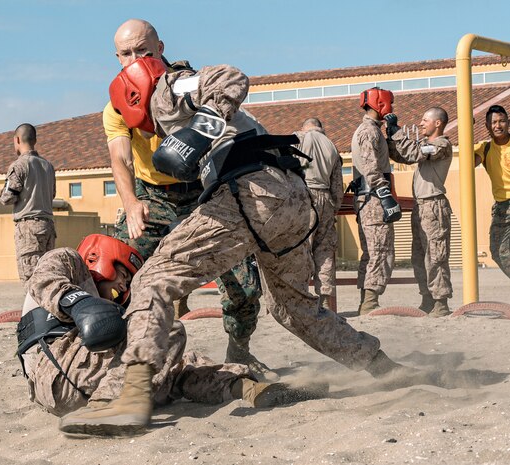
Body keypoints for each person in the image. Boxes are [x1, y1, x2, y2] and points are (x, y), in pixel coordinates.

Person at [58, 58, 429, 436]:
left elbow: (230, 76)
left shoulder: (168, 88)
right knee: (293, 309)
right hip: (291, 196)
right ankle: (382, 366)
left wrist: (200, 129)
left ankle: (131, 397)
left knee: (151, 280)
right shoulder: (180, 97)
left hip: (250, 190)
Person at [104, 19, 266, 372]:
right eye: (127, 53)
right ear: (117, 57)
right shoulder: (117, 106)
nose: (136, 59)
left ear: (160, 49)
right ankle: (117, 358)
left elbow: (230, 87)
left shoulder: (185, 85)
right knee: (109, 269)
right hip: (154, 198)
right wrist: (131, 204)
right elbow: (119, 157)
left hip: (206, 194)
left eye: (144, 50)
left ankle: (239, 349)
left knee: (246, 288)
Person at [16, 234, 323, 418]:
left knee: (174, 366)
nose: (123, 284)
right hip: (56, 369)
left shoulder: (108, 305)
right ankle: (107, 406)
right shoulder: (69, 262)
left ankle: (246, 387)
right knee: (166, 330)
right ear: (100, 257)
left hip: (82, 380)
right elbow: (44, 281)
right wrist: (82, 305)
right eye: (122, 274)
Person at [385, 107, 454, 316]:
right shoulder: (425, 145)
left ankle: (440, 303)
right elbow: (403, 156)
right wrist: (390, 139)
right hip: (420, 206)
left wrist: (398, 132)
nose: (421, 123)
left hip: (434, 206)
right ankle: (427, 299)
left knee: (436, 256)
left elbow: (414, 153)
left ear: (438, 123)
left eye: (425, 120)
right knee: (419, 256)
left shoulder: (442, 144)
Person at [350, 87, 402, 315]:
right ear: (381, 104)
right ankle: (369, 302)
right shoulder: (369, 132)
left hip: (367, 198)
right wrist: (385, 194)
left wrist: (393, 132)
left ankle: (366, 302)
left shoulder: (373, 131)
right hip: (373, 199)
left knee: (371, 252)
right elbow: (371, 167)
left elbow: (399, 155)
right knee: (380, 250)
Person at [0, 123, 56, 285]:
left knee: (31, 279)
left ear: (17, 139)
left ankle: (33, 310)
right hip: (48, 226)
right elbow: (52, 194)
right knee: (47, 276)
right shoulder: (48, 166)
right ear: (35, 140)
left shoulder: (19, 166)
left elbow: (7, 197)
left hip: (29, 228)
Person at [295, 118, 343, 311]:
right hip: (325, 199)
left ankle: (301, 298)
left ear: (304, 127)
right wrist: (333, 208)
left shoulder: (298, 139)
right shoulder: (331, 146)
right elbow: (337, 186)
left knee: (300, 249)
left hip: (303, 197)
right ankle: (325, 299)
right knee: (325, 252)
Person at [474, 105, 510, 278]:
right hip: (502, 208)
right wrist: (467, 129)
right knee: (497, 251)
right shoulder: (485, 149)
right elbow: (470, 162)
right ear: (487, 126)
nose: (498, 125)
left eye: (502, 121)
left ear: (508, 123)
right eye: (494, 122)